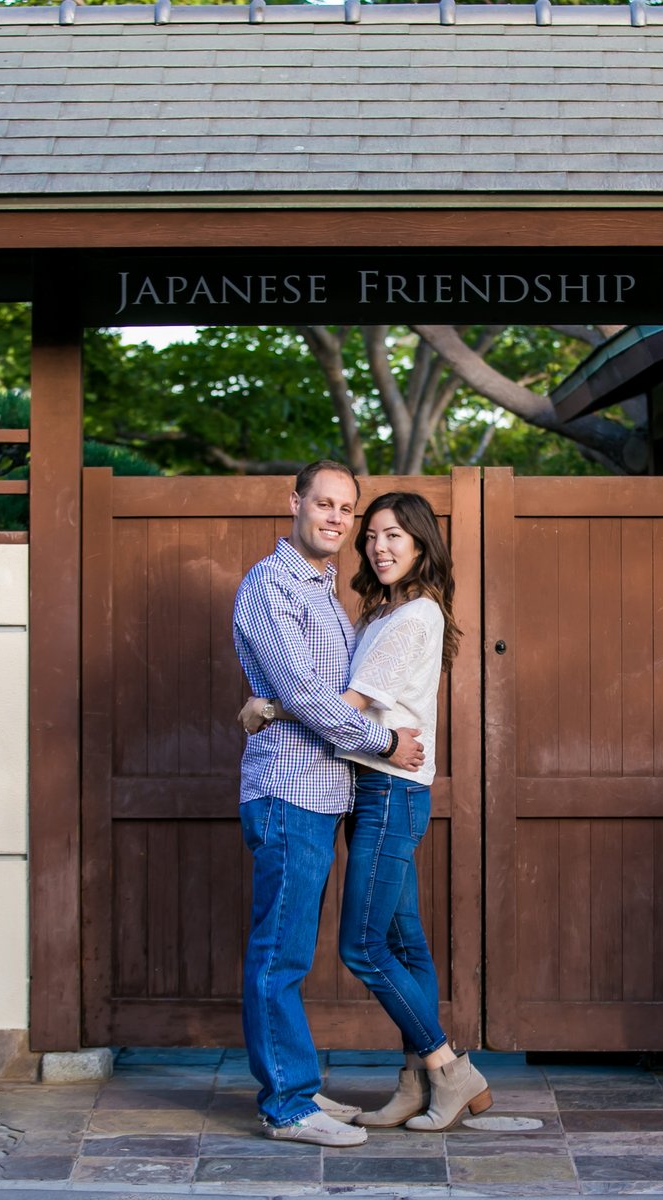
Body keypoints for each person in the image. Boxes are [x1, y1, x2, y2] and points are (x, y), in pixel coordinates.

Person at [240, 491, 492, 1133]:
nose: (379, 547)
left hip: (389, 790)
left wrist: (266, 706)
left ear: (421, 544)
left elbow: (339, 704)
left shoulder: (413, 616)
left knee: (363, 945)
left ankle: (448, 1068)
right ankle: (416, 1081)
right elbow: (328, 699)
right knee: (404, 941)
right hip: (367, 785)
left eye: (394, 536)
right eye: (372, 535)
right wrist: (280, 704)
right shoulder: (382, 612)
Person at [231, 461, 425, 1148]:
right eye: (325, 504)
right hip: (289, 792)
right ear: (295, 503)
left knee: (292, 952)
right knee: (279, 954)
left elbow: (313, 693)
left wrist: (266, 707)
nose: (337, 518)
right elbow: (312, 699)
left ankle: (297, 1085)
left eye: (347, 509)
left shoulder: (323, 589)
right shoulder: (271, 586)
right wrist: (386, 741)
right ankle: (286, 1106)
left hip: (321, 792)